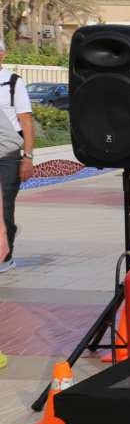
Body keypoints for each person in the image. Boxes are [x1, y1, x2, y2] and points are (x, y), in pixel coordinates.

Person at [0, 39, 35, 274]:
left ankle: (5, 256)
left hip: (8, 156)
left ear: (2, 55)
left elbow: (26, 121)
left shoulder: (13, 82)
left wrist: (28, 157)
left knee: (4, 206)